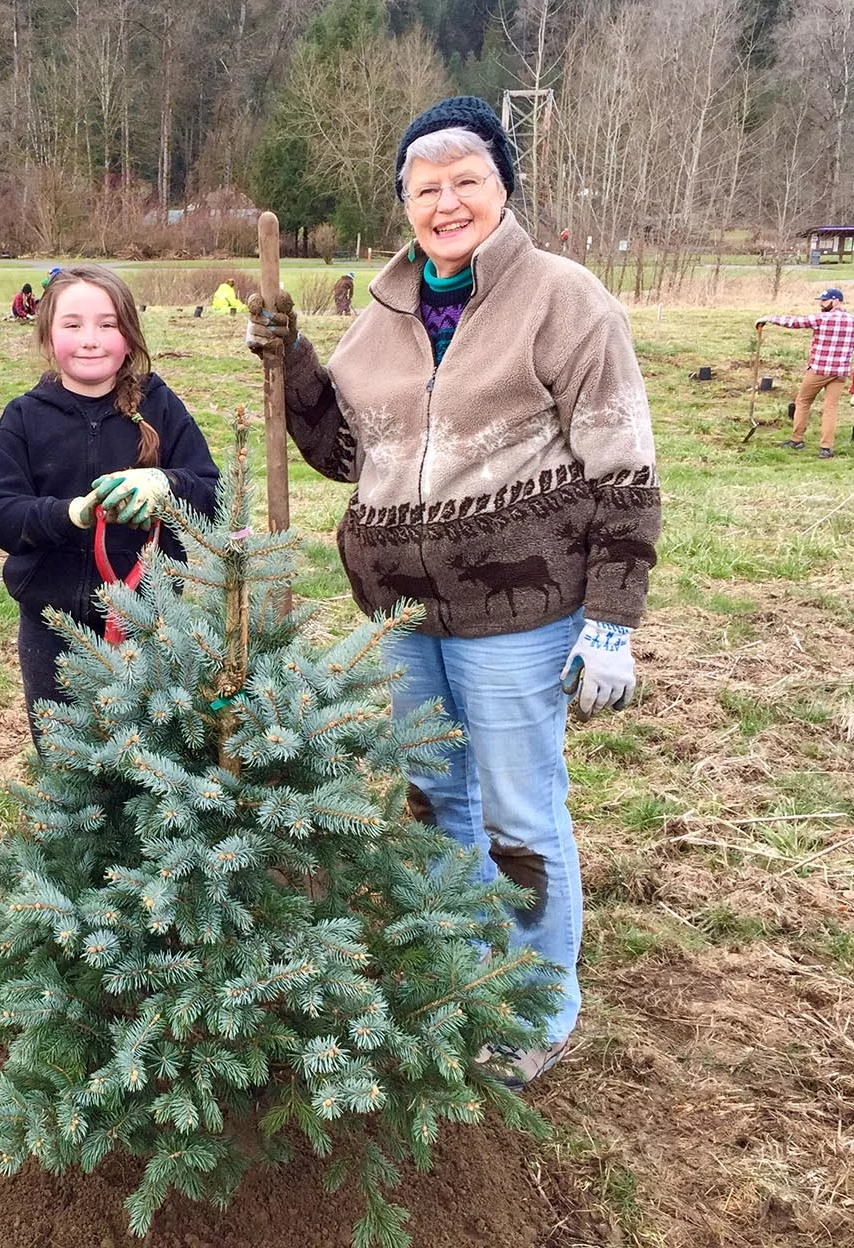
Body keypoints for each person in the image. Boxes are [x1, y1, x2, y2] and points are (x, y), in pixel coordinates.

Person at [246, 95, 659, 1088]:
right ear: (402, 202)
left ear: (501, 187)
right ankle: (458, 970)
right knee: (437, 801)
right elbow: (343, 453)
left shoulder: (564, 299)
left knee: (520, 811)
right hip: (399, 611)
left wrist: (611, 618)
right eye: (423, 187)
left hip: (520, 614)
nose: (445, 202)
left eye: (465, 180)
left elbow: (624, 464)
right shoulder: (387, 310)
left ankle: (534, 1005)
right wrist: (293, 362)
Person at [0, 265, 220, 739]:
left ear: (129, 337)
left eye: (108, 325)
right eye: (72, 325)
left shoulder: (161, 407)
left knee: (150, 759)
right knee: (64, 759)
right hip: (52, 625)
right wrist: (67, 514)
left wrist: (165, 484)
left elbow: (212, 493)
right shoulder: (23, 419)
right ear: (47, 337)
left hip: (152, 624)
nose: (91, 339)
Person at [757, 287, 854, 459]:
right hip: (840, 372)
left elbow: (795, 322)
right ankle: (826, 448)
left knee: (803, 401)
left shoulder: (821, 318)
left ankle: (797, 440)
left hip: (818, 370)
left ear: (836, 301)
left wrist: (769, 319)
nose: (821, 303)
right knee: (831, 408)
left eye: (824, 301)